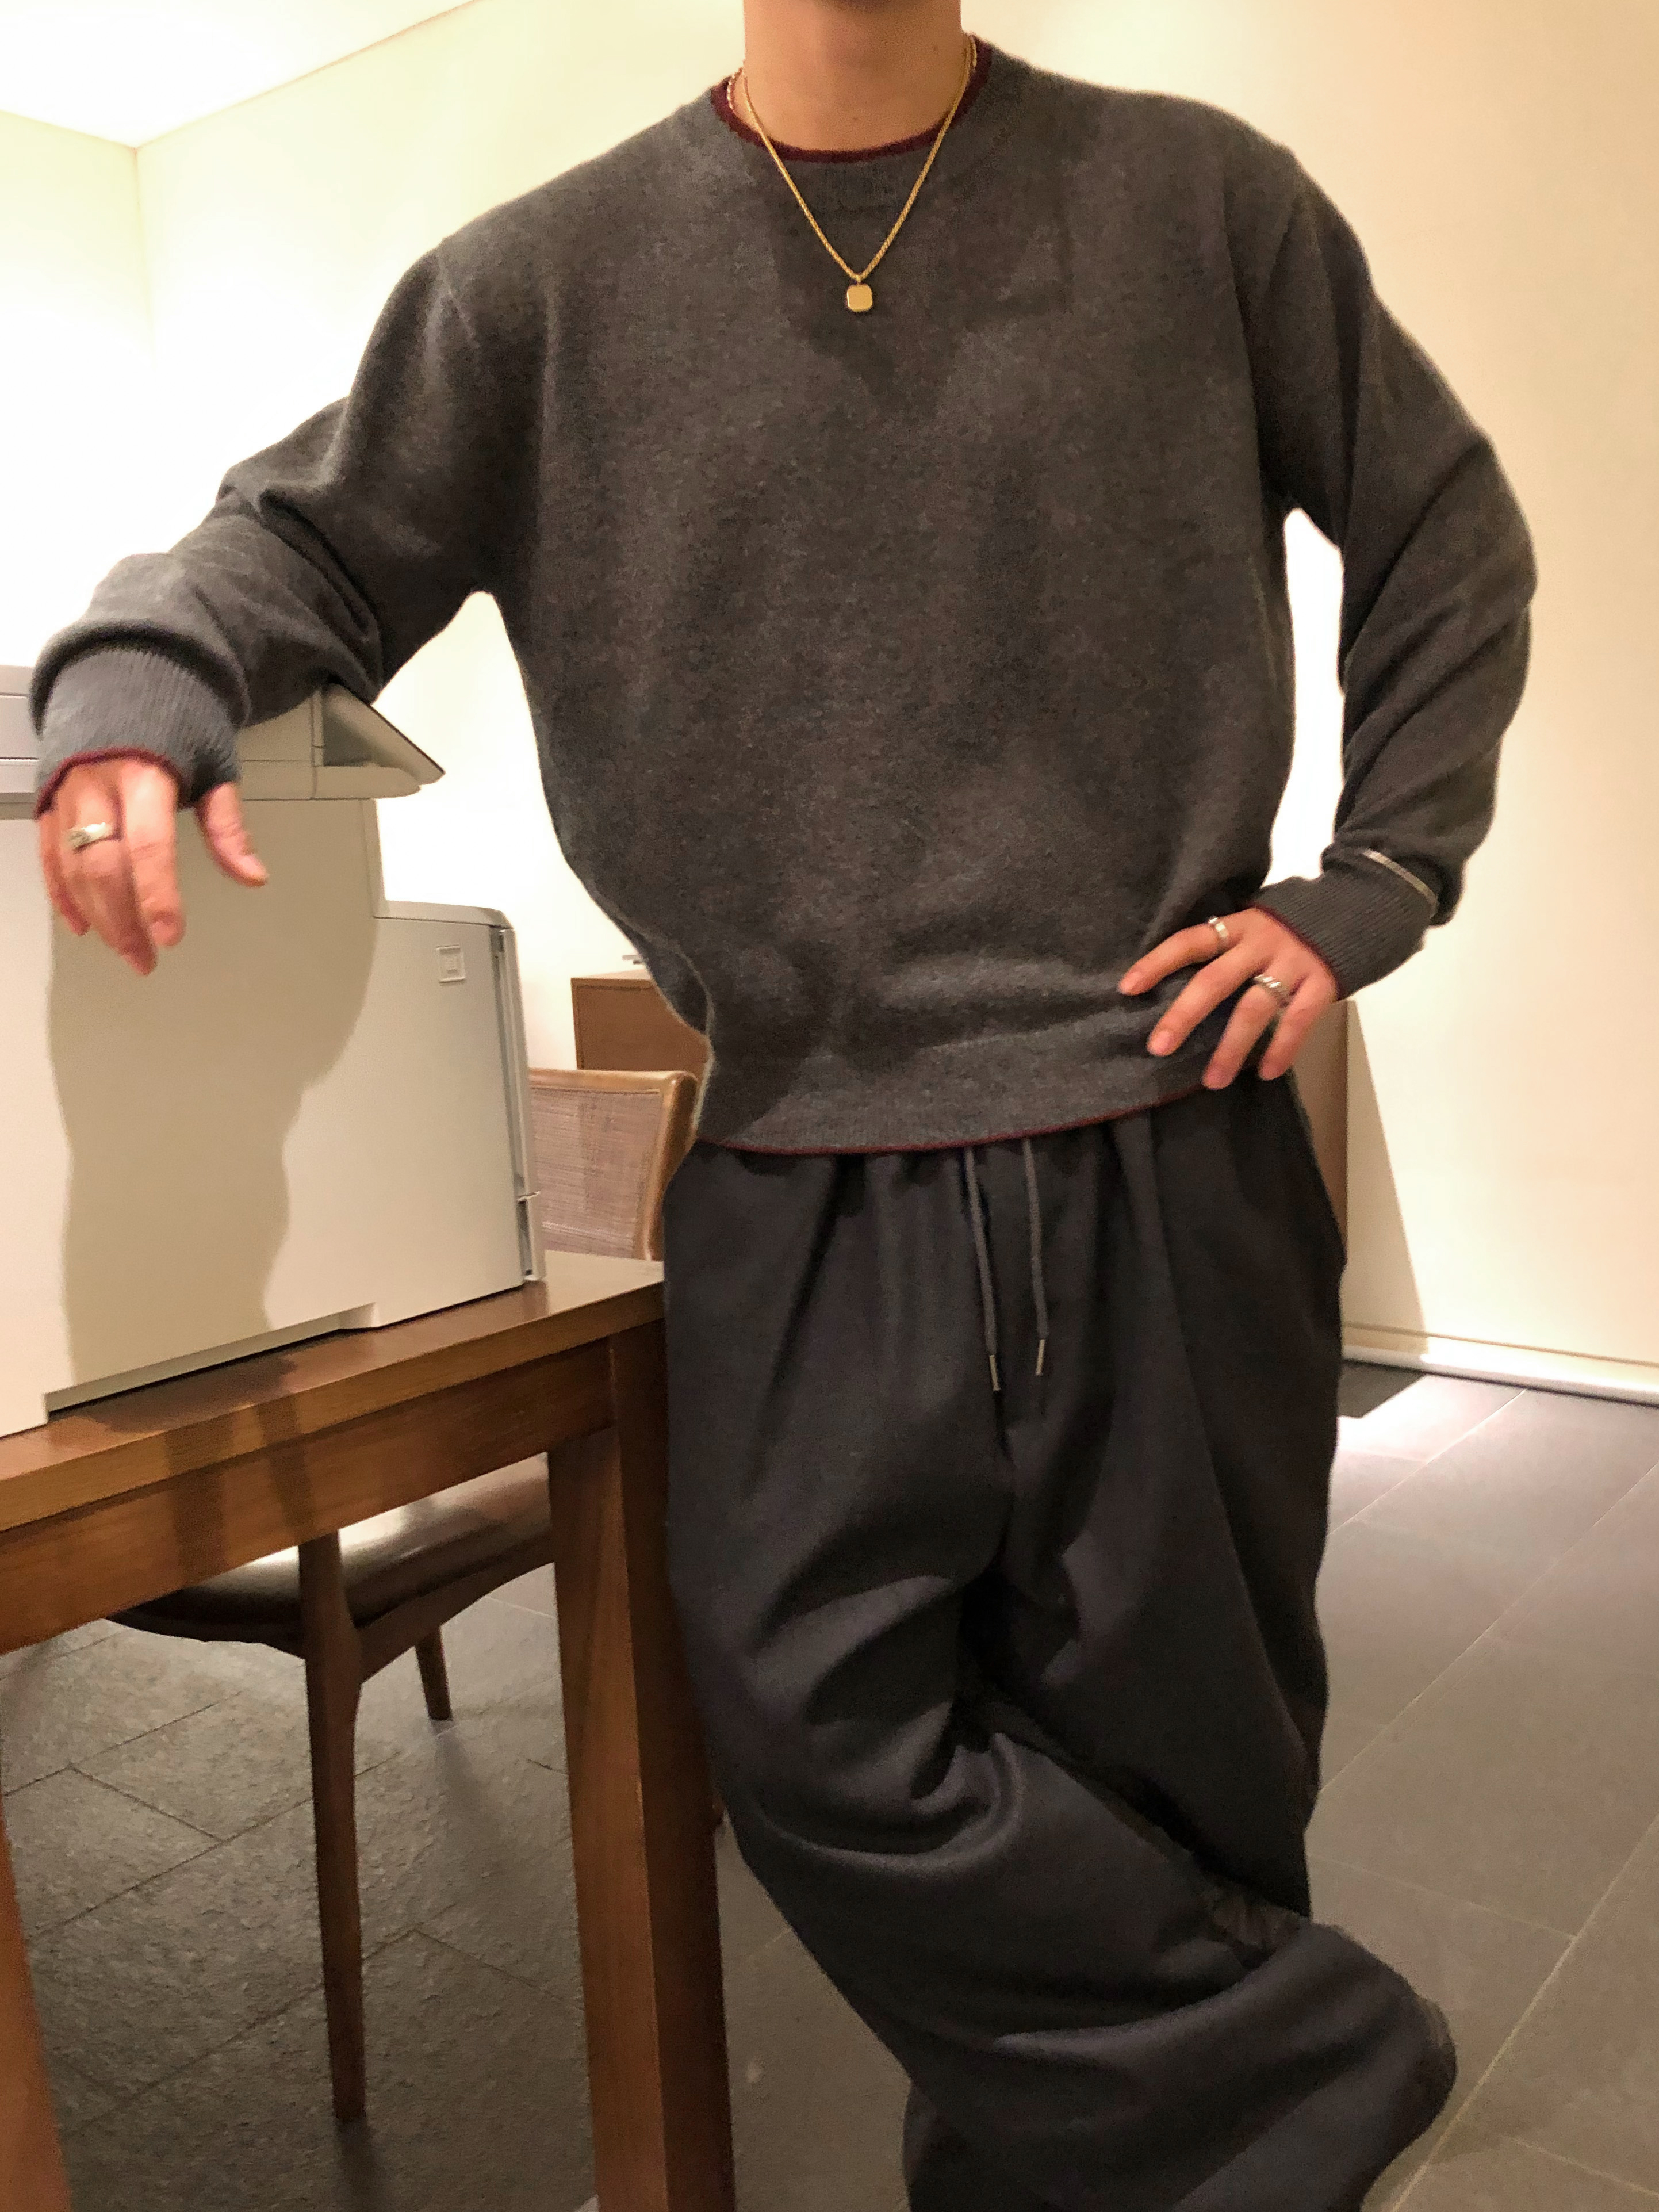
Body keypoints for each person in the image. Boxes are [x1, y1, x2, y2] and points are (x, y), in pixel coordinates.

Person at [29, 2, 1534, 2203]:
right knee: (816, 1751)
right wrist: (132, 690)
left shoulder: (1202, 205)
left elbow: (1445, 525)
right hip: (798, 1164)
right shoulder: (535, 288)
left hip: (1170, 1133)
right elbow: (295, 547)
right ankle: (1320, 2065)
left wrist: (1377, 878)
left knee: (1189, 1791)